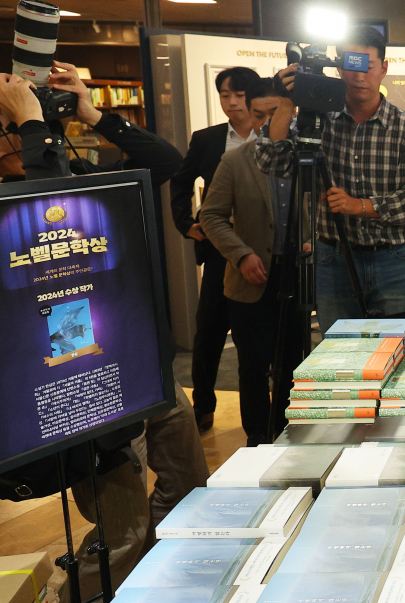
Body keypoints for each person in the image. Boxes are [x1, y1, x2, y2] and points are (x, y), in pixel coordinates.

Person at [0, 63, 208, 603]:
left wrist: (90, 113)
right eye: (13, 121)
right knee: (122, 530)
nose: (39, 124)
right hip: (75, 382)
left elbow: (166, 163)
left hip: (137, 362)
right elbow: (45, 207)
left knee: (189, 483)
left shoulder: (75, 171)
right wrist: (34, 125)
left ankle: (155, 584)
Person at [258, 26, 405, 335]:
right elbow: (272, 161)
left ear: (384, 69)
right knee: (338, 355)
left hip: (391, 259)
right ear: (339, 68)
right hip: (333, 258)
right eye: (352, 64)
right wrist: (287, 102)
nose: (360, 75)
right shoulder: (318, 121)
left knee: (392, 353)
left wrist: (358, 206)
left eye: (369, 65)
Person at [200, 79, 302, 446]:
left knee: (295, 364)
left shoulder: (305, 159)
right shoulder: (235, 160)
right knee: (253, 367)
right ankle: (257, 438)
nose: (265, 123)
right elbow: (210, 216)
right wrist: (241, 254)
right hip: (250, 280)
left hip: (298, 277)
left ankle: (292, 434)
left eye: (274, 114)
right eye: (258, 115)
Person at [170, 66, 260, 433]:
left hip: (261, 249)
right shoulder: (207, 139)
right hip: (220, 249)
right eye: (225, 95)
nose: (232, 102)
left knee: (254, 339)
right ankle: (204, 405)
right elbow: (180, 179)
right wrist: (185, 223)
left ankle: (261, 416)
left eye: (239, 95)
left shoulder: (272, 135)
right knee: (208, 332)